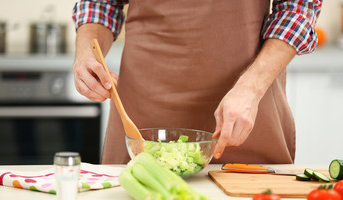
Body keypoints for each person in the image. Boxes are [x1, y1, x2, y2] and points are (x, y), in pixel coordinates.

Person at [72, 0, 322, 164]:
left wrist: (251, 88)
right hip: (143, 108)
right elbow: (100, 3)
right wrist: (86, 51)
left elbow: (297, 9)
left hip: (246, 108)